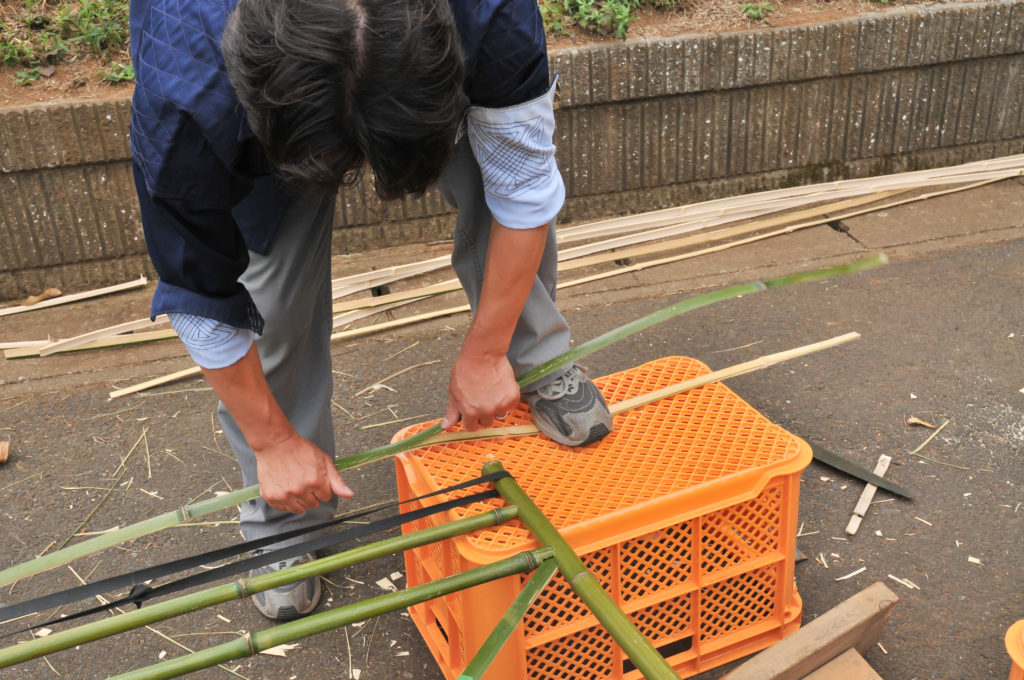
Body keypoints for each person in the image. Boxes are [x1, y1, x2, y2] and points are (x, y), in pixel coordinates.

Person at [128, 0, 612, 621]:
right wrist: (271, 439)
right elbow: (199, 284)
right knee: (270, 295)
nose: (358, 174)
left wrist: (486, 349)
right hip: (255, 97)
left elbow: (521, 185)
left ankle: (530, 358)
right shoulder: (186, 84)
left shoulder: (488, 13)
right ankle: (286, 514)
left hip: (436, 67)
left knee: (492, 174)